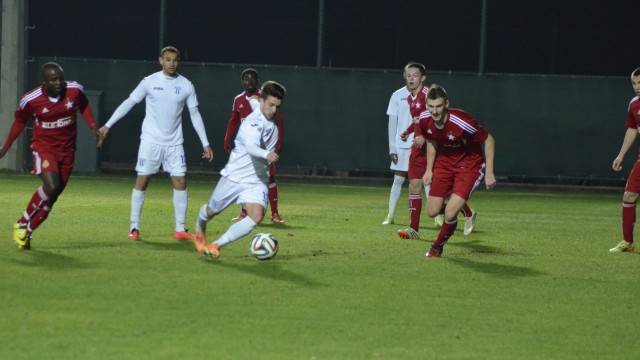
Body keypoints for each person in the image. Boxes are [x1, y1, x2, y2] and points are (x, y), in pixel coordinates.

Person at [98, 46, 214, 241]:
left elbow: (195, 114)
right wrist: (108, 125)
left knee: (180, 181)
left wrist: (205, 142)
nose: (172, 63)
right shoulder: (149, 82)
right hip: (150, 140)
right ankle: (134, 227)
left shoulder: (186, 85)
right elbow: (129, 102)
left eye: (175, 60)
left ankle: (180, 229)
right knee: (142, 181)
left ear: (178, 61)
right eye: (168, 59)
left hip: (175, 143)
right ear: (161, 61)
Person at [0, 62, 102, 250]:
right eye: (54, 80)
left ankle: (26, 232)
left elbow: (84, 105)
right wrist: (6, 147)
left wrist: (94, 127)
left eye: (60, 78)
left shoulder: (74, 90)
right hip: (43, 148)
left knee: (52, 197)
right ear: (44, 82)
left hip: (68, 151)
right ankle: (22, 222)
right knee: (52, 185)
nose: (59, 83)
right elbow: (19, 122)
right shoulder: (31, 100)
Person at [194, 81, 286, 260]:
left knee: (256, 216)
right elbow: (251, 147)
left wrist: (254, 100)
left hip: (257, 180)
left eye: (278, 106)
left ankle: (216, 245)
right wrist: (267, 154)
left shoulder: (270, 119)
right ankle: (200, 225)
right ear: (262, 101)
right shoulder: (253, 122)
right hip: (235, 177)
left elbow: (257, 103)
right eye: (271, 105)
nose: (274, 110)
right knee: (211, 211)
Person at [420, 84, 496, 257]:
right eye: (431, 106)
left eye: (439, 106)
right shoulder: (424, 120)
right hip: (444, 165)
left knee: (449, 212)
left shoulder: (462, 121)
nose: (435, 111)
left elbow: (489, 139)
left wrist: (490, 172)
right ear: (426, 105)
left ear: (446, 104)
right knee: (432, 211)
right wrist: (429, 170)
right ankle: (466, 211)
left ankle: (437, 247)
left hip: (469, 167)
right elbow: (431, 141)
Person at [223, 68, 286, 224]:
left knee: (269, 177)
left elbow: (279, 120)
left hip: (264, 146)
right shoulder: (238, 99)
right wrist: (227, 140)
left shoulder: (264, 98)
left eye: (252, 79)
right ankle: (244, 213)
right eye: (246, 79)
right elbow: (233, 121)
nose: (249, 82)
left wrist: (278, 143)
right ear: (242, 81)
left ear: (257, 82)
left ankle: (275, 214)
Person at [610, 67, 640, 253]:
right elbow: (632, 129)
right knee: (629, 195)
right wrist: (621, 155)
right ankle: (627, 242)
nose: (637, 87)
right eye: (634, 83)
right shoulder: (634, 104)